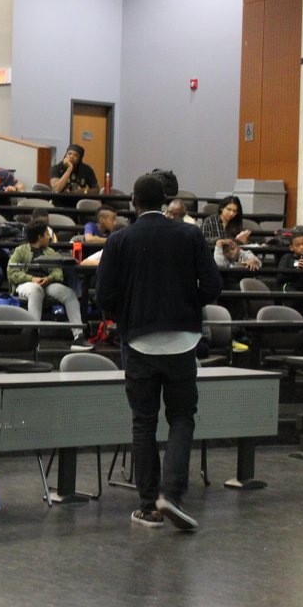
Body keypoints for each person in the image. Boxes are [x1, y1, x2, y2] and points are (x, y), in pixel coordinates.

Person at [96, 173, 222, 531]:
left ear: (133, 202)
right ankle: (172, 494)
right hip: (183, 341)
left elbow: (103, 297)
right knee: (182, 417)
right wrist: (185, 306)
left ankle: (149, 506)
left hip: (138, 341)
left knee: (144, 423)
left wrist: (128, 315)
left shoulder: (119, 240)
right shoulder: (189, 235)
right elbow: (212, 287)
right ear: (166, 201)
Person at [6, 219, 90, 350]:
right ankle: (33, 337)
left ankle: (78, 336)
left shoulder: (50, 251)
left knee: (69, 294)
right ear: (39, 237)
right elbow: (12, 273)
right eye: (46, 234)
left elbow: (58, 272)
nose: (49, 237)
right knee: (35, 290)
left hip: (47, 283)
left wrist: (49, 278)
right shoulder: (20, 250)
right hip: (26, 284)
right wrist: (32, 278)